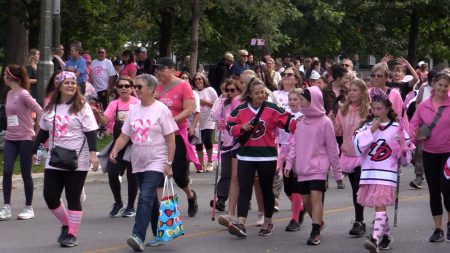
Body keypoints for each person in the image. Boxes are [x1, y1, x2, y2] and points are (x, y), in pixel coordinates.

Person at [108, 74, 177, 251]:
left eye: (139, 87)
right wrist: (115, 149)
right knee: (151, 199)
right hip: (138, 160)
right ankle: (159, 233)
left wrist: (168, 163)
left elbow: (171, 139)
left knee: (145, 196)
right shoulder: (133, 109)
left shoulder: (161, 110)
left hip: (157, 159)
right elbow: (125, 135)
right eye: (135, 86)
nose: (135, 90)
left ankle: (138, 235)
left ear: (152, 90)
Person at [32, 71, 99, 247]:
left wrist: (93, 154)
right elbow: (44, 131)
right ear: (59, 86)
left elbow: (90, 131)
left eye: (73, 83)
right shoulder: (51, 106)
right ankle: (66, 224)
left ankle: (71, 234)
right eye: (66, 82)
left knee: (73, 196)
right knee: (50, 196)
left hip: (78, 158)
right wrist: (34, 149)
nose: (70, 85)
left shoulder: (82, 106)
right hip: (55, 158)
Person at [227, 78, 295, 238]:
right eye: (257, 93)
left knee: (266, 190)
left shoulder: (272, 109)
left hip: (267, 156)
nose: (261, 95)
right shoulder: (241, 110)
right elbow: (229, 127)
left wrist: (303, 121)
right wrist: (239, 128)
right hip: (245, 155)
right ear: (250, 94)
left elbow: (289, 122)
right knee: (244, 189)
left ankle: (268, 221)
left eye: (263, 92)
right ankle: (241, 223)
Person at [284, 86, 343, 245]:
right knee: (306, 200)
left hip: (319, 168)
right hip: (302, 168)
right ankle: (319, 222)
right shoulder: (301, 121)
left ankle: (315, 230)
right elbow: (294, 144)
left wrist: (338, 175)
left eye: (303, 100)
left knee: (316, 198)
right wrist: (289, 164)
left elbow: (332, 150)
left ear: (313, 101)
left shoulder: (325, 122)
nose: (300, 103)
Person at [353, 88, 410, 252]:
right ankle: (386, 236)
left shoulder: (397, 128)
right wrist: (371, 130)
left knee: (380, 205)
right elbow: (357, 147)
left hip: (387, 175)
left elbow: (406, 158)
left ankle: (374, 239)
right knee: (380, 206)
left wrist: (403, 146)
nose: (376, 112)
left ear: (387, 109)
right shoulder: (367, 126)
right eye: (374, 108)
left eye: (380, 108)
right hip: (369, 173)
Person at [154, 57, 201, 217]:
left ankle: (191, 195)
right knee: (159, 172)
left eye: (162, 69)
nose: (159, 72)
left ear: (172, 69)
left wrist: (170, 122)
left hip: (177, 134)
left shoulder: (183, 86)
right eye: (157, 69)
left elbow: (188, 110)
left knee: (180, 176)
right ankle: (162, 210)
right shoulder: (155, 87)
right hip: (159, 136)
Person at [409, 71, 450, 242]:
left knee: (447, 190)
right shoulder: (423, 105)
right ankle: (438, 229)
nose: (442, 88)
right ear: (433, 84)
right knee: (434, 191)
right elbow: (412, 126)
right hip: (429, 153)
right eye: (439, 85)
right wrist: (412, 141)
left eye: (446, 86)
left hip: (448, 154)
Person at [0, 65, 43, 221]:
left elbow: (40, 111)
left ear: (11, 77)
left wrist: (37, 133)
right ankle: (6, 208)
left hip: (25, 138)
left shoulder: (24, 94)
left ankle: (28, 208)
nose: (3, 76)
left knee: (26, 173)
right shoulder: (10, 94)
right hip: (11, 138)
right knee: (7, 171)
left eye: (5, 74)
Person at [93, 76, 140, 217]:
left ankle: (131, 206)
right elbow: (104, 121)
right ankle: (118, 202)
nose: (124, 88)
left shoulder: (138, 103)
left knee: (132, 175)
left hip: (134, 144)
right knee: (112, 172)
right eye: (121, 86)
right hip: (118, 143)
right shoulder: (114, 104)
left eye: (127, 86)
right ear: (117, 89)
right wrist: (97, 114)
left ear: (132, 88)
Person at [332, 79, 370, 237]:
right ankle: (359, 220)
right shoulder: (344, 110)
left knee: (358, 189)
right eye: (350, 91)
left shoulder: (368, 110)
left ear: (362, 92)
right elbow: (338, 131)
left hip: (363, 155)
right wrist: (332, 120)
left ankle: (359, 221)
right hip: (348, 153)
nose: (352, 93)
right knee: (356, 189)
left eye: (355, 90)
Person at [212, 79, 242, 218]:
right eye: (227, 90)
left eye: (232, 90)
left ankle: (242, 200)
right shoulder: (224, 104)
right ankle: (222, 199)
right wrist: (221, 101)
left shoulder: (242, 104)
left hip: (239, 143)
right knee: (226, 172)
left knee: (238, 176)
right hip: (226, 142)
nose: (229, 93)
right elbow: (216, 116)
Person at [277, 88, 304, 231]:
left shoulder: (303, 116)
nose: (292, 102)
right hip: (285, 152)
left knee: (295, 187)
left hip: (298, 154)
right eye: (291, 99)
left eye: (296, 99)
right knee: (287, 188)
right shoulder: (284, 115)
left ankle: (295, 219)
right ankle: (300, 207)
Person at [193, 72, 218, 172]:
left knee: (207, 140)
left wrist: (205, 102)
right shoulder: (193, 92)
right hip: (198, 121)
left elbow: (217, 104)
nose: (198, 81)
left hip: (208, 120)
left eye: (200, 79)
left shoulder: (210, 90)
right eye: (196, 79)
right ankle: (200, 164)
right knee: (198, 142)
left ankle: (210, 162)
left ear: (204, 80)